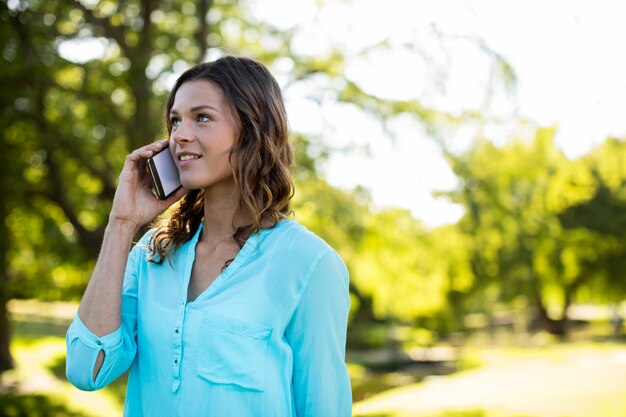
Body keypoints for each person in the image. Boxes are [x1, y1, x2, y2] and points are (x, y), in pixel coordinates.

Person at [65, 55, 352, 416]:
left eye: (202, 117)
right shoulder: (152, 256)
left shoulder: (311, 264)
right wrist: (122, 223)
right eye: (174, 121)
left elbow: (324, 407)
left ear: (251, 130)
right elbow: (85, 369)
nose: (179, 135)